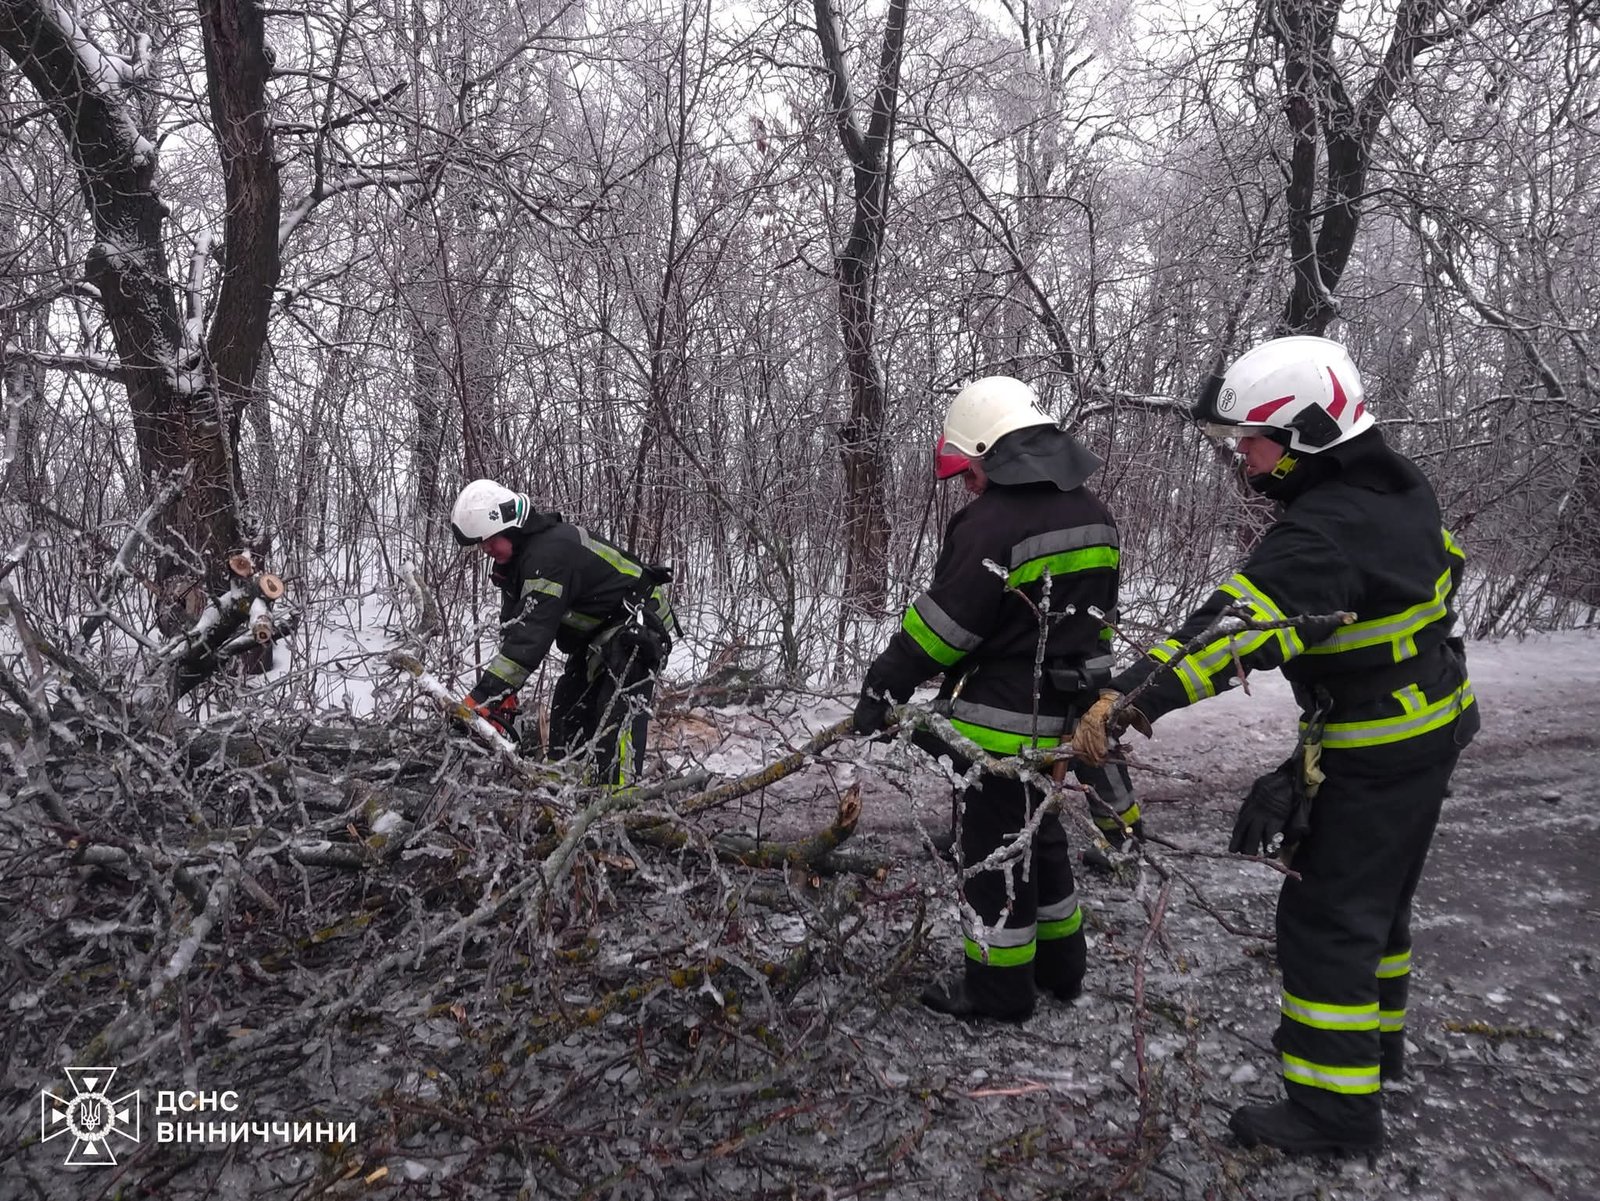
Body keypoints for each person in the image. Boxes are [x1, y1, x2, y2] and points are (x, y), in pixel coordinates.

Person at [1071, 335, 1478, 1155]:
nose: (1244, 461)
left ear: (1310, 434)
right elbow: (1439, 577)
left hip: (1377, 745)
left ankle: (1334, 1111)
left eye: (1253, 443)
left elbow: (1231, 632)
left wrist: (1125, 700)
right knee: (1379, 903)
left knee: (1326, 918)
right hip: (1430, 723)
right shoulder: (1399, 486)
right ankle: (1374, 1054)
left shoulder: (1323, 533)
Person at [852, 376, 1142, 1022]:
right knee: (1040, 840)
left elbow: (945, 628)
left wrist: (883, 684)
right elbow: (1099, 623)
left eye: (969, 470)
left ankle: (999, 990)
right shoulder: (1094, 511)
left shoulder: (989, 523)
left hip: (1000, 726)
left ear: (990, 448)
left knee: (992, 855)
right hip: (1070, 719)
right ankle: (1062, 970)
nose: (967, 484)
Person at [449, 479, 677, 787]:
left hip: (637, 625)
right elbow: (515, 629)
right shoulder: (517, 566)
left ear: (510, 528)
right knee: (567, 710)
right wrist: (506, 693)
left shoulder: (549, 555)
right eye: (481, 544)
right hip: (598, 636)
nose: (485, 548)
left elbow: (532, 637)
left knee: (616, 716)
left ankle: (620, 806)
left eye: (489, 540)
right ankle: (562, 793)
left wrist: (483, 697)